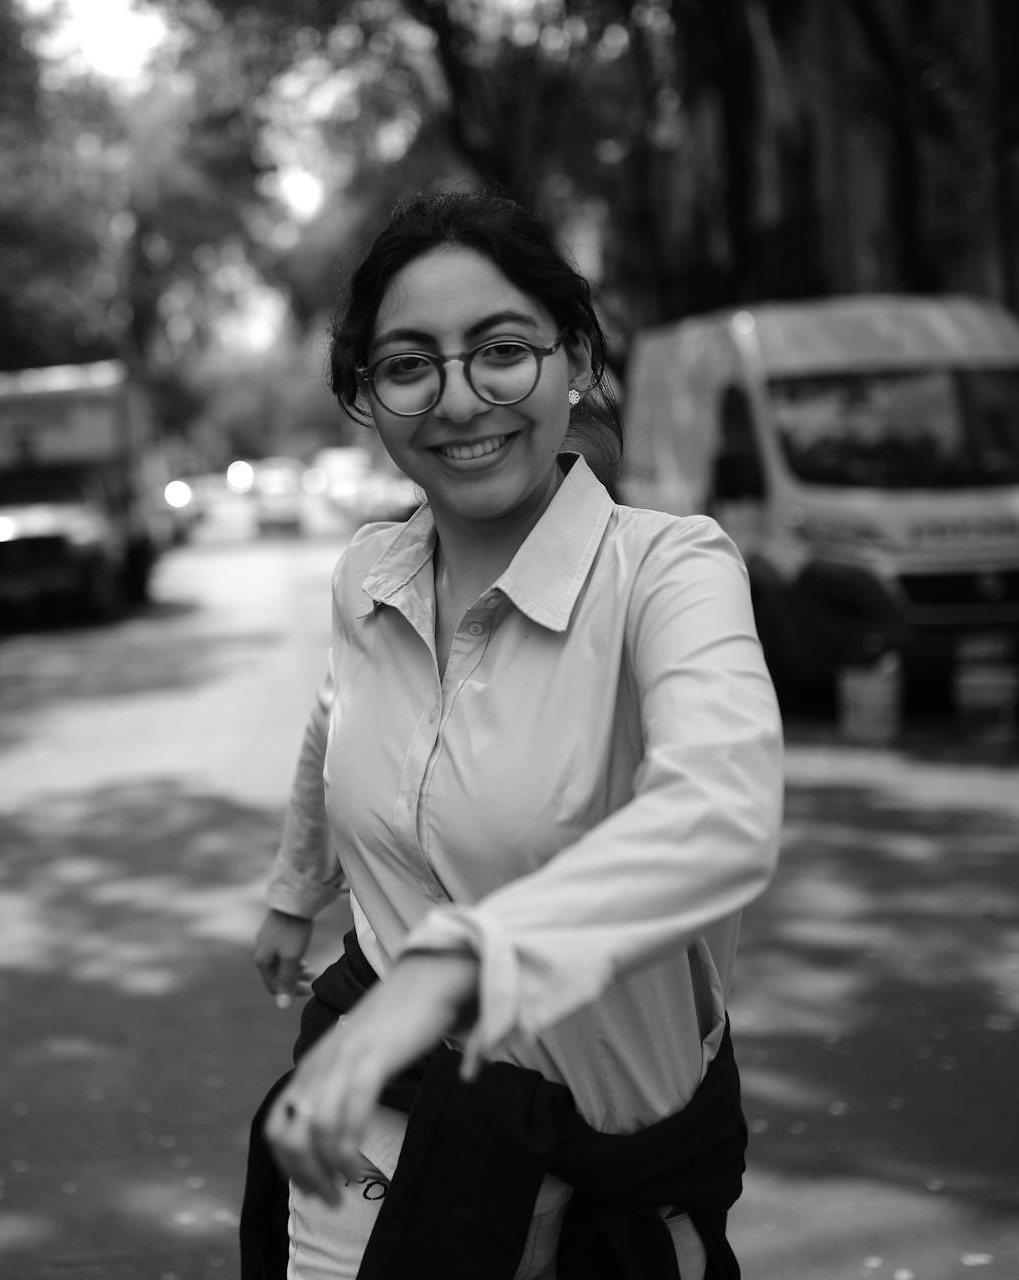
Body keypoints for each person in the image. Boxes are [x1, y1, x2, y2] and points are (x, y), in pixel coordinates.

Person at [239, 189, 784, 1280]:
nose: (459, 399)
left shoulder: (670, 570)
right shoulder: (369, 573)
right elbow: (338, 714)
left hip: (605, 1177)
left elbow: (720, 814)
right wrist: (297, 888)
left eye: (501, 349)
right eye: (407, 365)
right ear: (368, 395)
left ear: (573, 355)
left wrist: (453, 972)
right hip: (380, 1145)